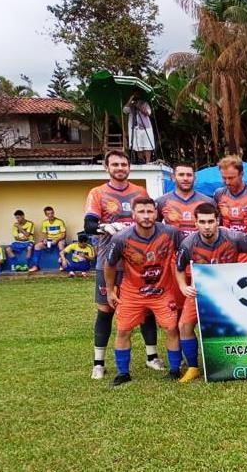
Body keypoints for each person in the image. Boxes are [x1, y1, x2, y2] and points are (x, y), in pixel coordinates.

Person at [83, 150, 161, 380]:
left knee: (146, 309)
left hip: (138, 262)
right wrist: (105, 227)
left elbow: (151, 219)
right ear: (106, 167)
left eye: (124, 164)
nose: (120, 168)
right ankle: (99, 362)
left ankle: (152, 356)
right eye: (115, 164)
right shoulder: (97, 193)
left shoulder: (140, 191)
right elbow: (89, 224)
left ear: (129, 167)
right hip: (108, 260)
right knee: (105, 310)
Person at [175, 202, 247, 383]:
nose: (207, 226)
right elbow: (179, 267)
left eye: (210, 221)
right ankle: (193, 367)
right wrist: (183, 286)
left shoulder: (233, 237)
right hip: (200, 291)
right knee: (184, 326)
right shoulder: (188, 243)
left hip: (230, 290)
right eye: (202, 222)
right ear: (195, 223)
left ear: (217, 221)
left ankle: (241, 360)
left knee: (240, 324)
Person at [105, 197, 183, 386]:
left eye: (150, 212)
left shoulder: (171, 233)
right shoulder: (120, 238)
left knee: (172, 328)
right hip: (133, 293)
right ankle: (123, 373)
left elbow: (185, 252)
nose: (146, 216)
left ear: (156, 213)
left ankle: (175, 370)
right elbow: (109, 265)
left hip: (163, 291)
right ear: (133, 214)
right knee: (123, 331)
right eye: (142, 212)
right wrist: (109, 290)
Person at [213, 155, 247, 262]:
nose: (227, 182)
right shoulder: (219, 194)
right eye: (224, 178)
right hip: (227, 250)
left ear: (242, 174)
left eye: (231, 178)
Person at [156, 162, 216, 238]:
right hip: (173, 249)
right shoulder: (161, 202)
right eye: (181, 175)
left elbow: (216, 230)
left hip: (199, 248)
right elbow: (155, 230)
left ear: (195, 178)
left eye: (189, 175)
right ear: (173, 177)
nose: (185, 178)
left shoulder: (208, 202)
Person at [30, 206, 67, 272]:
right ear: (46, 215)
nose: (51, 215)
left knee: (61, 244)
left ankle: (62, 265)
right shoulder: (45, 222)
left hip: (59, 239)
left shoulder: (60, 221)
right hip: (50, 240)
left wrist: (56, 240)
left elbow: (64, 235)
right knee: (37, 246)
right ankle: (35, 266)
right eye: (48, 214)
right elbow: (44, 234)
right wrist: (45, 239)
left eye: (52, 213)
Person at [123, 90, 155, 164]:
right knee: (138, 145)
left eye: (137, 95)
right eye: (134, 95)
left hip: (145, 128)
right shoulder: (130, 105)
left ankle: (148, 162)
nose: (136, 96)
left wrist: (139, 107)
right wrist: (131, 99)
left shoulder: (145, 103)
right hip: (135, 128)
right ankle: (141, 161)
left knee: (147, 145)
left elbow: (148, 113)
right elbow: (125, 110)